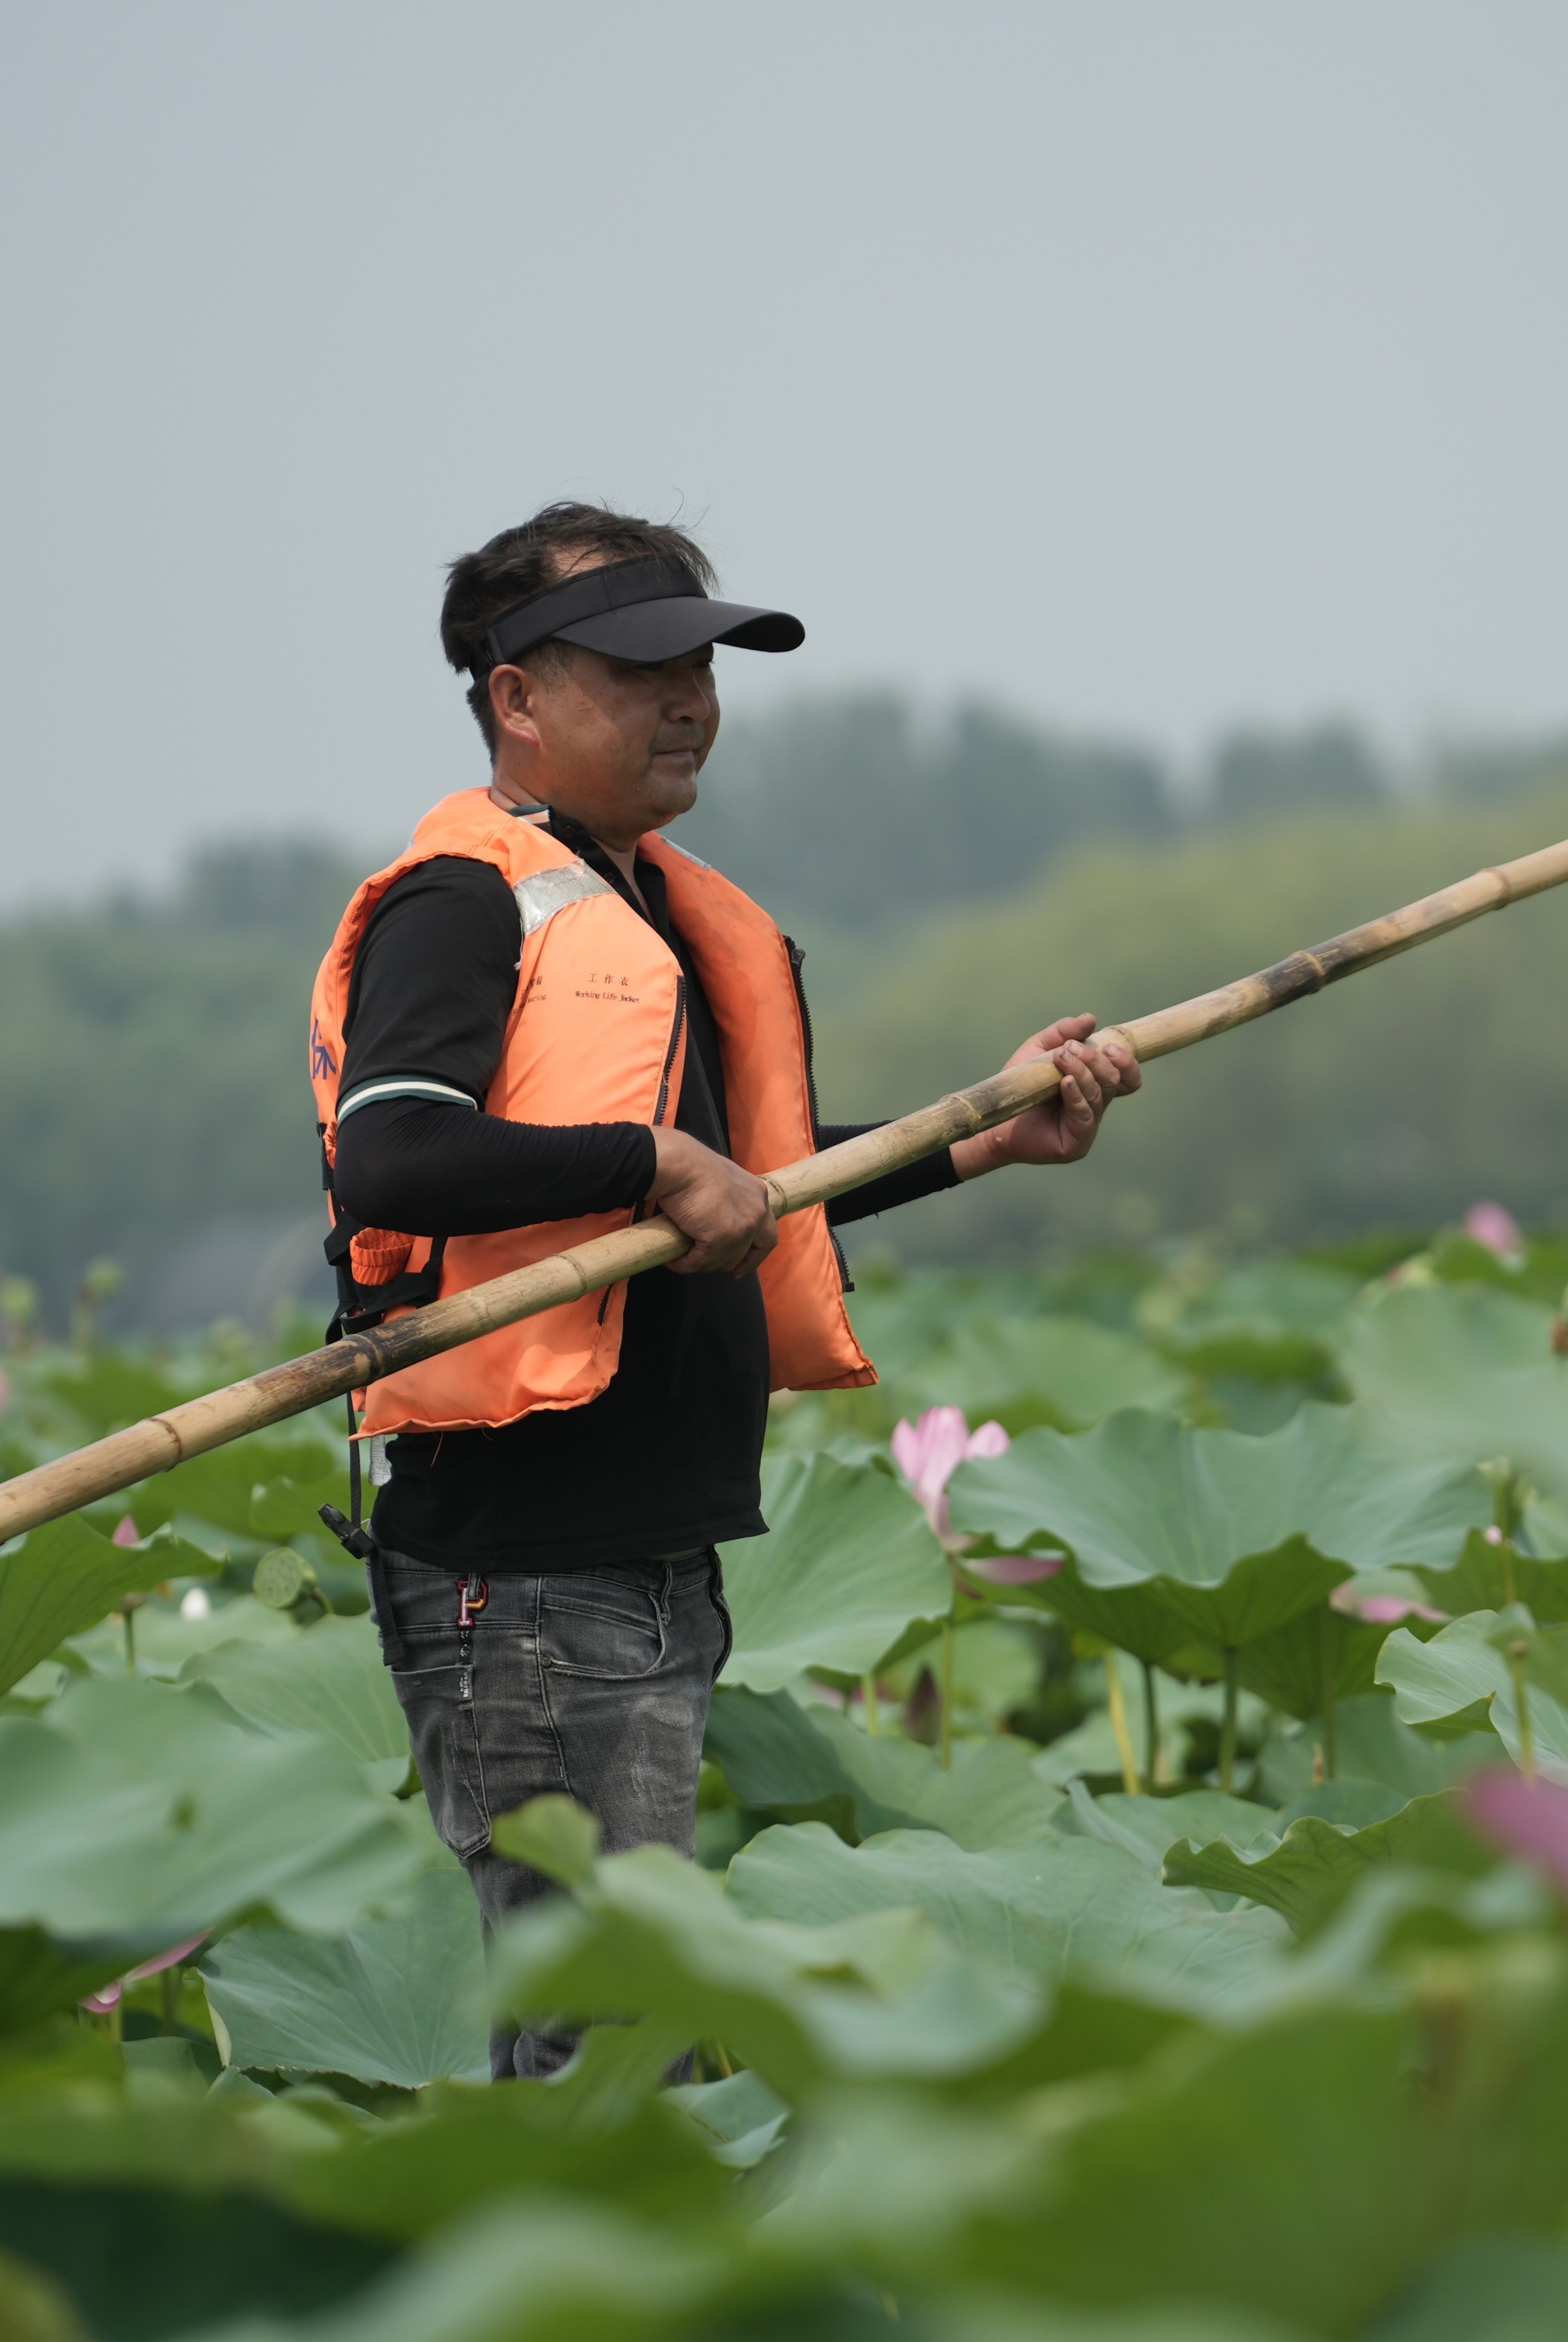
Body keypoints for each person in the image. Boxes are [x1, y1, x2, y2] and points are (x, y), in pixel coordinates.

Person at [305, 500, 1138, 2078]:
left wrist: (980, 1133)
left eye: (698, 658)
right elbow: (394, 1156)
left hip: (641, 1563)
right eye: (634, 665)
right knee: (606, 2059)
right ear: (515, 698)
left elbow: (754, 1174)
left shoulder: (653, 902)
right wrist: (645, 1162)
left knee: (647, 2052)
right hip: (525, 1581)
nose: (686, 694)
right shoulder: (461, 896)